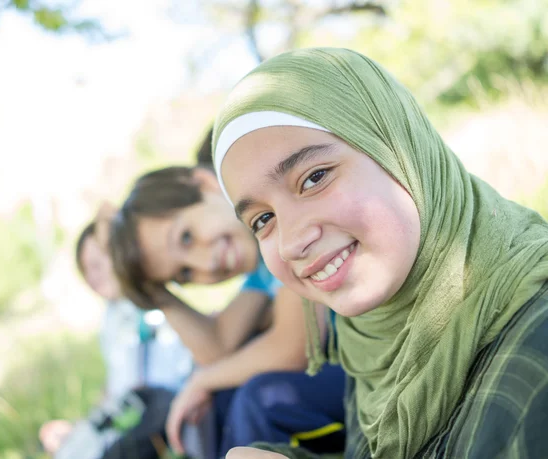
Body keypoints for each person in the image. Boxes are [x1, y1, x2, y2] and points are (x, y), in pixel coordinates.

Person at [212, 47, 548, 459]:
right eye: (263, 220)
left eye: (314, 178)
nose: (290, 242)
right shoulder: (372, 335)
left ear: (399, 147)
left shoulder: (536, 346)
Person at [106, 166, 346, 458]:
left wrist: (201, 381)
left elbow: (294, 347)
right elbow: (218, 347)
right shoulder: (259, 269)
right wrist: (155, 293)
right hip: (341, 380)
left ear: (206, 184)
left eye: (185, 237)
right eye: (184, 273)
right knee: (223, 398)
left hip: (377, 376)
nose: (206, 265)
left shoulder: (280, 223)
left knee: (258, 400)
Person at [39, 222, 191, 459]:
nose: (92, 278)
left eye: (97, 265)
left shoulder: (153, 299)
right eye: (85, 271)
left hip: (168, 403)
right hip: (130, 410)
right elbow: (116, 385)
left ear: (119, 255)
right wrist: (83, 426)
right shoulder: (111, 318)